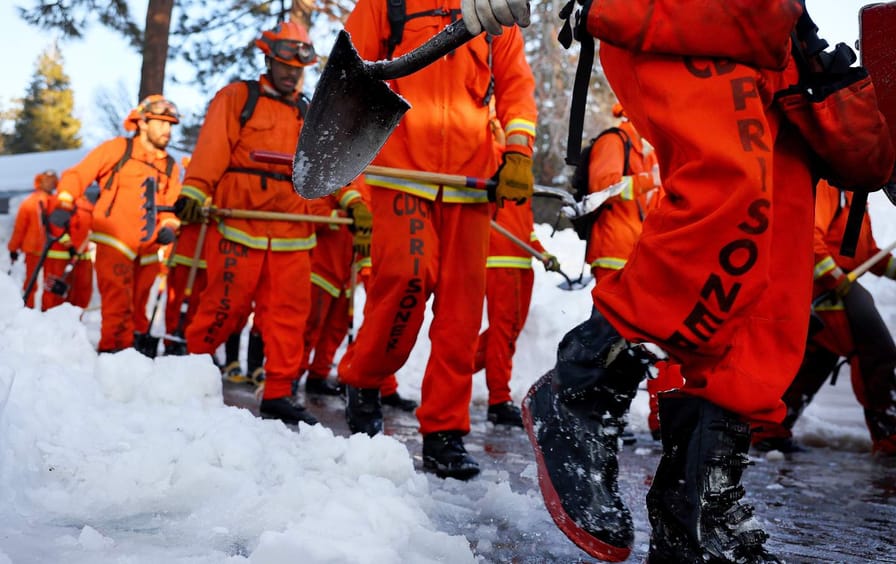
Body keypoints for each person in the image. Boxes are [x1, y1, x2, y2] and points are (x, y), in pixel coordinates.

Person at [463, 0, 892, 561]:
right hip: (685, 12)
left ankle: (696, 508)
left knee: (774, 270)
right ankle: (583, 388)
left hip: (774, 34)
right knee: (734, 195)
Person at [336, 0, 537, 480]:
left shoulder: (495, 10)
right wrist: (352, 175)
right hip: (401, 173)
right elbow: (347, 75)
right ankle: (364, 380)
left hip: (471, 183)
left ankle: (445, 431)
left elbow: (516, 86)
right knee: (405, 280)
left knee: (461, 316)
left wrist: (519, 151)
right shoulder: (387, 4)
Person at [174, 20, 329, 426]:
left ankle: (278, 392)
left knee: (288, 317)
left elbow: (321, 169)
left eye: (298, 68)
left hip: (290, 229)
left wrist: (346, 204)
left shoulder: (308, 112)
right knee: (224, 307)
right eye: (284, 65)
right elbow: (213, 147)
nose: (291, 73)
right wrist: (196, 190)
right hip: (240, 222)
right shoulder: (238, 98)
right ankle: (191, 373)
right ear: (268, 60)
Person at [752, 179, 896, 455]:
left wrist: (892, 269)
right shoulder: (828, 188)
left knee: (815, 363)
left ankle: (767, 431)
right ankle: (890, 437)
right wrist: (835, 279)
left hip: (838, 286)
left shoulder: (855, 193)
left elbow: (865, 253)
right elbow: (811, 240)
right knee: (877, 354)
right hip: (823, 293)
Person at [580, 103, 679, 439]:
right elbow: (601, 189)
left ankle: (659, 421)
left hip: (641, 256)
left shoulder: (648, 151)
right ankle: (598, 414)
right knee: (610, 342)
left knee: (648, 343)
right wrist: (648, 181)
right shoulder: (615, 141)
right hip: (613, 254)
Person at [52, 95, 181, 353]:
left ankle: (135, 355)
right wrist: (65, 202)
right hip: (115, 240)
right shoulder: (117, 149)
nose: (167, 130)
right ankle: (113, 353)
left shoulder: (169, 165)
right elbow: (78, 174)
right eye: (161, 123)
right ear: (142, 123)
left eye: (170, 124)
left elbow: (172, 203)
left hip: (149, 247)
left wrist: (169, 226)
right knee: (118, 303)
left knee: (139, 306)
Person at [473, 198, 558, 428]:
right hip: (501, 262)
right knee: (502, 334)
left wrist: (541, 252)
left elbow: (526, 229)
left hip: (522, 264)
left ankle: (457, 368)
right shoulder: (499, 174)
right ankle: (498, 400)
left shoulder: (523, 182)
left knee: (508, 333)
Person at [8, 170, 57, 308]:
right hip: (49, 250)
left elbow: (19, 228)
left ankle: (30, 310)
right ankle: (46, 312)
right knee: (47, 283)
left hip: (39, 249)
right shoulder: (56, 202)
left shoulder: (30, 202)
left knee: (34, 282)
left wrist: (13, 249)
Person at [42, 193, 94, 310]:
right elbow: (56, 225)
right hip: (60, 256)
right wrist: (69, 245)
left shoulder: (88, 206)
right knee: (55, 293)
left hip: (82, 256)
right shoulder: (62, 199)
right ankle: (51, 316)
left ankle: (75, 316)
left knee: (80, 292)